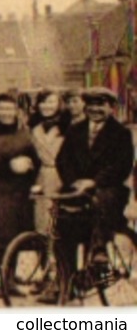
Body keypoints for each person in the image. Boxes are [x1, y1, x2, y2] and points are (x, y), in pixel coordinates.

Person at [55, 86, 135, 269]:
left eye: (101, 104)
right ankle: (64, 280)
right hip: (77, 188)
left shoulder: (121, 133)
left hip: (108, 190)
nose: (95, 109)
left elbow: (121, 166)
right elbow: (62, 160)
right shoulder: (75, 130)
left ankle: (99, 250)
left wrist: (93, 181)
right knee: (63, 223)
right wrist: (73, 181)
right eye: (91, 104)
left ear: (111, 107)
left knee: (102, 200)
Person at [0, 93, 38, 296]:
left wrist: (31, 172)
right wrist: (9, 165)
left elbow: (34, 158)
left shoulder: (24, 133)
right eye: (1, 109)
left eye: (9, 109)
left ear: (17, 112)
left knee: (16, 235)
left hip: (19, 192)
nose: (5, 113)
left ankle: (10, 280)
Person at [30, 89, 67, 233]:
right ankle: (44, 252)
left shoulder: (67, 126)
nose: (47, 106)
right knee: (42, 220)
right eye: (43, 102)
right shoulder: (34, 128)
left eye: (51, 102)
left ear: (59, 104)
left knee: (60, 222)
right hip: (42, 176)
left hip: (62, 176)